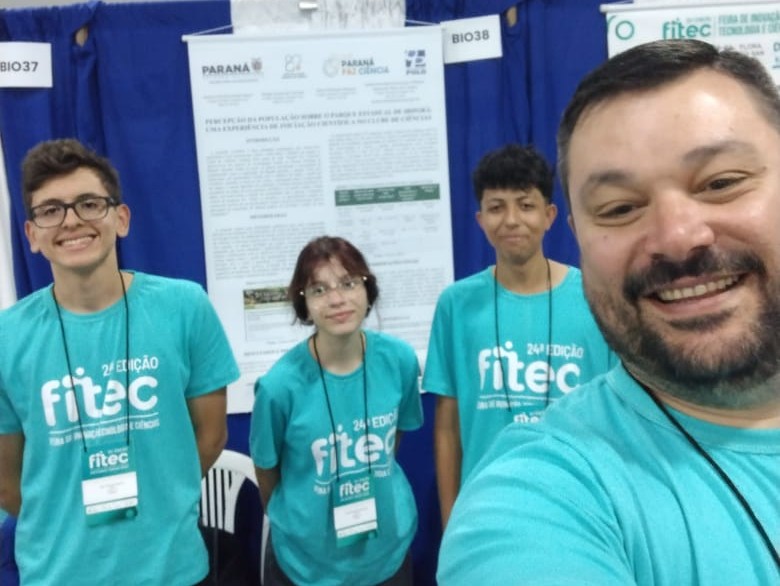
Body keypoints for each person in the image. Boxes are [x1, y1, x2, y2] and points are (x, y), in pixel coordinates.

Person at [438, 38, 780, 585]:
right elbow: (450, 419)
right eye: (620, 209)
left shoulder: (573, 297)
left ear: (548, 218)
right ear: (578, 232)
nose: (677, 237)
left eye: (721, 183)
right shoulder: (535, 499)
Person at [0, 138, 240, 585]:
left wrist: (161, 499)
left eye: (89, 203)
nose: (72, 221)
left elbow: (210, 438)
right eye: (51, 210)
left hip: (173, 571)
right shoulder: (6, 337)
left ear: (121, 218)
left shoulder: (184, 307)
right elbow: (6, 481)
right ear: (32, 235)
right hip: (60, 574)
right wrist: (63, 519)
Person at [423, 143, 615, 528]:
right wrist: (452, 520)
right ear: (480, 219)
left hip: (577, 505)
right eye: (496, 207)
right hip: (486, 510)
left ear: (549, 216)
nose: (511, 220)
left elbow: (616, 415)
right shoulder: (456, 305)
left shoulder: (597, 296)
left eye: (525, 206)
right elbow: (447, 426)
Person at [250, 236, 423, 586]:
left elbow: (394, 440)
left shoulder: (399, 361)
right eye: (319, 290)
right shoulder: (279, 387)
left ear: (367, 289)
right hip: (305, 565)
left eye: (348, 283)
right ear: (305, 304)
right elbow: (267, 472)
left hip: (385, 555)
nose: (337, 299)